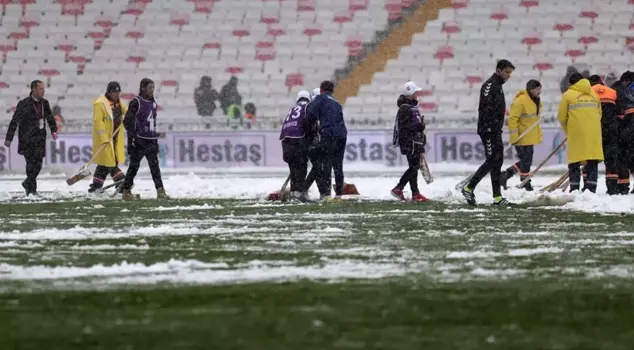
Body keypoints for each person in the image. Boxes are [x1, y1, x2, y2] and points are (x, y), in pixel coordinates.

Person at [462, 59, 515, 206]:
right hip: (488, 129)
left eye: (510, 73)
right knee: (492, 160)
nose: (508, 75)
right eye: (506, 72)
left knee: (498, 161)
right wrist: (490, 126)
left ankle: (497, 197)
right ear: (498, 70)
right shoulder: (490, 85)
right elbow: (485, 109)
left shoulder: (498, 85)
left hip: (495, 129)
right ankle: (469, 187)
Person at [4, 80, 58, 196]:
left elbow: (50, 118)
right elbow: (15, 121)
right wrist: (9, 137)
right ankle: (31, 190)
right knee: (30, 164)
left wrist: (54, 130)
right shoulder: (24, 103)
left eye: (43, 89)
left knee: (38, 164)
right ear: (33, 89)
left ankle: (28, 182)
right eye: (40, 89)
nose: (43, 91)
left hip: (40, 138)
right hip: (27, 138)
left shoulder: (45, 103)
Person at [121, 78, 169, 200]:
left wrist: (155, 139)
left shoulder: (153, 103)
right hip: (139, 140)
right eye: (149, 88)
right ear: (143, 88)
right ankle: (126, 190)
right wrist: (133, 137)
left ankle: (160, 191)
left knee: (155, 167)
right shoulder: (136, 102)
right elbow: (127, 122)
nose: (152, 90)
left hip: (151, 139)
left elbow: (153, 123)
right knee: (134, 166)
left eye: (153, 88)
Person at [557, 73, 604, 193]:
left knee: (574, 161)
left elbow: (562, 117)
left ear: (571, 83)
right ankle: (591, 188)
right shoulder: (594, 94)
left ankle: (574, 188)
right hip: (594, 133)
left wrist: (569, 131)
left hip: (576, 133)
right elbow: (599, 114)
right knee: (592, 161)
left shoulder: (568, 95)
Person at [306, 80, 347, 201]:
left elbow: (310, 114)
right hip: (342, 134)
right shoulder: (337, 102)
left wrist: (313, 128)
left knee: (326, 164)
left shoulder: (320, 98)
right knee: (338, 165)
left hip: (328, 133)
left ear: (321, 89)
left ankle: (327, 195)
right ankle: (339, 195)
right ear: (332, 90)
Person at [500, 79, 543, 191]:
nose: (539, 91)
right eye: (537, 89)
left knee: (526, 160)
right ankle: (525, 182)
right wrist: (514, 137)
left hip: (529, 135)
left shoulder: (536, 99)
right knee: (526, 160)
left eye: (540, 89)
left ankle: (505, 175)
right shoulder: (520, 101)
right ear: (530, 89)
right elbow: (512, 119)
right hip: (521, 136)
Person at [390, 81, 428, 202]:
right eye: (415, 92)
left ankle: (415, 194)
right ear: (410, 93)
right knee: (414, 167)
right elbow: (404, 127)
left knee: (413, 167)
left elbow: (410, 126)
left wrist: (420, 131)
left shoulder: (410, 107)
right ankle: (399, 188)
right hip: (410, 142)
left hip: (413, 142)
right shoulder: (405, 108)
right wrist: (419, 128)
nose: (417, 94)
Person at [88, 82, 128, 193]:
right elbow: (98, 122)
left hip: (115, 138)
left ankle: (96, 186)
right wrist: (104, 138)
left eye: (118, 92)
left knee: (105, 163)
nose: (117, 95)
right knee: (110, 162)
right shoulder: (100, 103)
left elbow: (128, 112)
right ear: (109, 92)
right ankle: (121, 180)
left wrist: (131, 116)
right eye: (114, 92)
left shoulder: (120, 102)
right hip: (105, 139)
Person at [279, 90, 312, 202]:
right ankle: (298, 193)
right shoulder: (307, 107)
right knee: (302, 167)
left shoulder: (292, 109)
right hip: (298, 137)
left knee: (293, 167)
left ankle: (293, 193)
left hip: (285, 139)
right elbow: (307, 122)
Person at [589, 75, 619, 195]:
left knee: (591, 158)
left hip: (595, 128)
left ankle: (589, 187)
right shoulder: (612, 92)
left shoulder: (589, 92)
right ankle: (612, 188)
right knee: (611, 159)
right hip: (611, 129)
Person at [615, 71, 634, 194]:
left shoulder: (628, 91)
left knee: (627, 159)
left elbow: (629, 113)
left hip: (630, 130)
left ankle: (623, 187)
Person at [304, 88, 322, 195]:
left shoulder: (310, 107)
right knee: (318, 167)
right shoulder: (314, 108)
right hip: (314, 143)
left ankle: (322, 191)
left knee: (318, 168)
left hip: (313, 142)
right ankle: (322, 191)